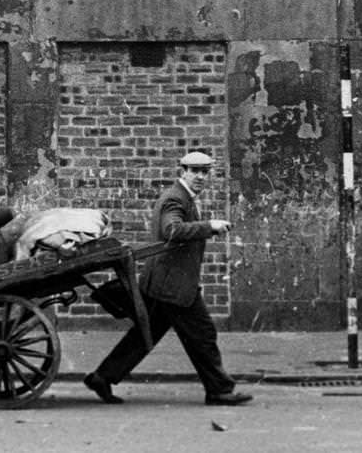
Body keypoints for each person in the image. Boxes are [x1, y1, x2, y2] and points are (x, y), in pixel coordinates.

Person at [83, 151, 253, 406]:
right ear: (182, 171)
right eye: (194, 171)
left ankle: (102, 377)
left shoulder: (184, 197)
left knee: (145, 335)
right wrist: (210, 226)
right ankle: (219, 390)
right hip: (173, 285)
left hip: (165, 281)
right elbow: (171, 230)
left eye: (205, 172)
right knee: (203, 334)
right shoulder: (175, 198)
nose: (200, 177)